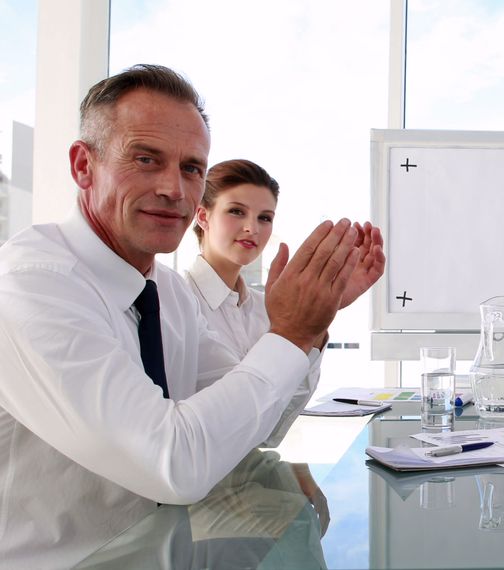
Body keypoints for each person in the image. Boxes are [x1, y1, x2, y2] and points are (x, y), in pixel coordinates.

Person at [0, 64, 384, 566]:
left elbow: (259, 430)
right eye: (145, 158)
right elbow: (173, 463)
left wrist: (313, 324)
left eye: (191, 168)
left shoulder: (165, 291)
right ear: (82, 166)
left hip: (164, 549)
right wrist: (290, 333)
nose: (174, 190)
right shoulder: (33, 285)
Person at [185, 159, 382, 447]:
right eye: (236, 212)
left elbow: (275, 427)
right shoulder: (179, 300)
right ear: (203, 216)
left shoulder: (267, 308)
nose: (252, 228)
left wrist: (322, 312)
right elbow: (235, 425)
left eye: (264, 217)